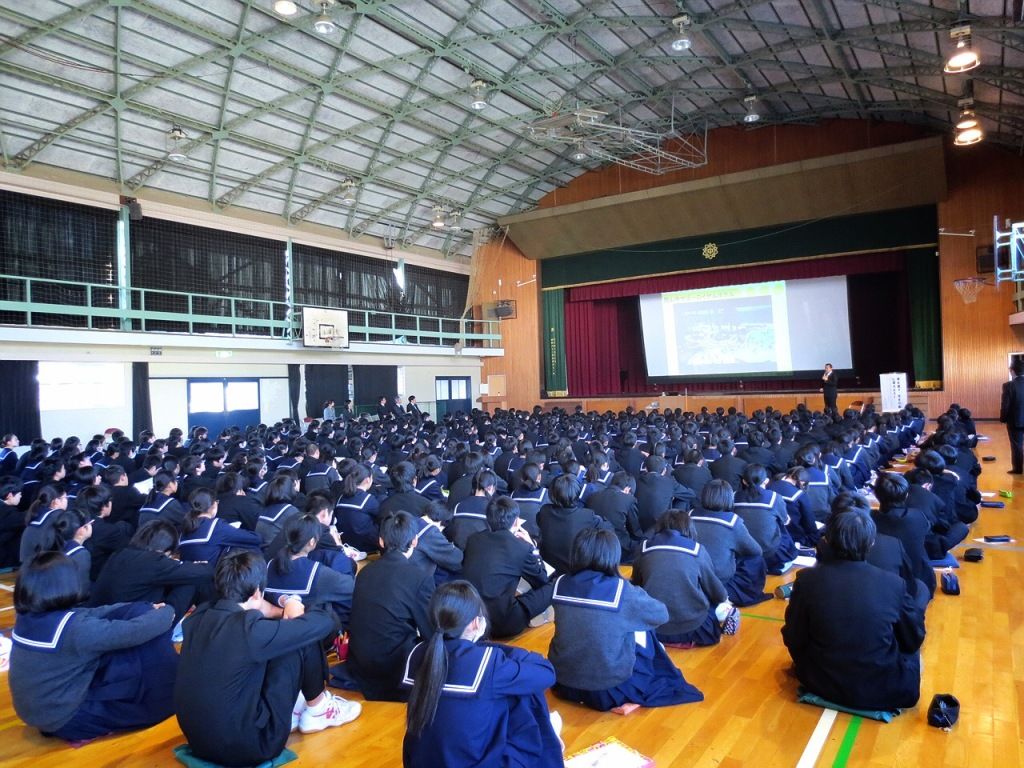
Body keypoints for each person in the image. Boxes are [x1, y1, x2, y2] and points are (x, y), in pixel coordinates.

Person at [175, 551, 360, 766]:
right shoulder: (250, 632)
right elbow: (325, 623)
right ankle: (319, 709)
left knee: (285, 632)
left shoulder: (197, 618)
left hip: (198, 740)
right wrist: (294, 604)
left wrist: (278, 609)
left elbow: (257, 613)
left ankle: (296, 709)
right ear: (256, 593)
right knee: (300, 636)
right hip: (253, 744)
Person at [9, 551, 178, 741]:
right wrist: (168, 611)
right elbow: (133, 631)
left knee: (137, 612)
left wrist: (144, 607)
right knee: (150, 682)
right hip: (66, 718)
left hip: (39, 710)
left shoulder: (27, 619)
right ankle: (169, 689)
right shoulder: (75, 630)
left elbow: (90, 612)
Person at [402, 581, 563, 768]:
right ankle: (548, 745)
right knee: (525, 695)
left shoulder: (418, 654)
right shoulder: (487, 663)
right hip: (473, 762)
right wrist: (499, 649)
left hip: (419, 762)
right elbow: (546, 673)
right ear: (475, 623)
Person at [782, 507, 925, 710]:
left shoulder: (807, 579)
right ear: (872, 543)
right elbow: (913, 641)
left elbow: (793, 637)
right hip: (885, 690)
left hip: (819, 682)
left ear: (828, 541)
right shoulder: (894, 584)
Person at [548, 528, 703, 714]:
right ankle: (630, 696)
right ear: (612, 556)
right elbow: (661, 614)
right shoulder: (621, 590)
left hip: (562, 682)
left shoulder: (560, 583)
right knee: (643, 627)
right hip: (607, 689)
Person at [342, 511, 435, 701]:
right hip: (395, 670)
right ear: (415, 541)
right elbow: (430, 632)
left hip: (360, 665)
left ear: (381, 542)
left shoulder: (364, 572)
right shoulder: (420, 577)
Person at [631, 509, 736, 648]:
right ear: (688, 527)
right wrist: (723, 600)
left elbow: (637, 584)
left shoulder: (643, 548)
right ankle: (724, 612)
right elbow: (716, 591)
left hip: (653, 626)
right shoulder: (697, 550)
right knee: (714, 602)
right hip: (693, 627)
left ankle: (658, 644)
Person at [460, 497, 554, 638]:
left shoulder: (473, 539)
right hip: (503, 624)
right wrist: (532, 547)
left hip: (471, 618)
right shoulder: (522, 547)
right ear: (516, 521)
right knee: (552, 586)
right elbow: (542, 579)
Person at [1000, 357, 1024, 474]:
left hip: (1015, 421)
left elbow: (1005, 405)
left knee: (1017, 445)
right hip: (1017, 420)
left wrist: (1003, 418)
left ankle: (1018, 469)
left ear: (1012, 371)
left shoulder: (1008, 386)